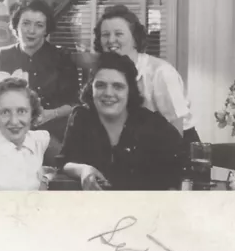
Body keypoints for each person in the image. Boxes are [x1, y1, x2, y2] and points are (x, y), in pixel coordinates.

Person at [58, 52, 186, 190]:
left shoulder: (152, 124)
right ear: (91, 88)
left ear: (129, 91)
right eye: (100, 85)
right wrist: (84, 170)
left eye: (118, 86)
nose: (108, 93)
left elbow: (178, 169)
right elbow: (65, 161)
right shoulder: (82, 117)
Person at [94, 4, 199, 143]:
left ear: (135, 39)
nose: (111, 40)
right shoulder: (104, 74)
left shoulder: (161, 72)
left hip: (177, 145)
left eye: (118, 34)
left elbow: (176, 129)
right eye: (105, 35)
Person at [0, 0, 80, 156]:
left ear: (46, 30)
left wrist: (51, 114)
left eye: (39, 25)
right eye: (26, 23)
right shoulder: (5, 55)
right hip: (15, 127)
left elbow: (74, 104)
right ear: (16, 26)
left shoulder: (61, 56)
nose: (31, 31)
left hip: (53, 127)